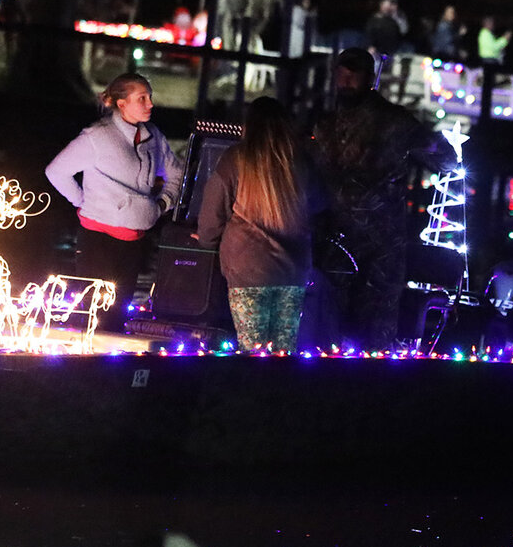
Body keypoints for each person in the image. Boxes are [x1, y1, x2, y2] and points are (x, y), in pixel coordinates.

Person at [310, 47, 453, 350]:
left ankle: (366, 384)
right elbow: (445, 158)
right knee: (337, 318)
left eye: (354, 75)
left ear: (369, 78)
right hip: (338, 239)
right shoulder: (324, 125)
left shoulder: (393, 122)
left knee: (371, 320)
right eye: (343, 74)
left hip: (378, 242)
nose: (347, 81)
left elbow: (444, 158)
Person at [45, 72, 185, 331]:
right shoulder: (97, 137)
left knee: (118, 316)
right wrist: (82, 201)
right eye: (142, 98)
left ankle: (112, 368)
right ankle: (85, 367)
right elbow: (56, 171)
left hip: (135, 241)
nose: (150, 104)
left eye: (149, 97)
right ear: (122, 104)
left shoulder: (153, 137)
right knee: (94, 317)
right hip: (99, 241)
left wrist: (164, 203)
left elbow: (177, 172)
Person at [196, 97, 321, 352]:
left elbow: (213, 211)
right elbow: (319, 208)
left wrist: (207, 240)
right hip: (293, 271)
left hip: (248, 268)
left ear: (249, 125)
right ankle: (281, 391)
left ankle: (251, 391)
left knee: (252, 350)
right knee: (284, 351)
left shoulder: (235, 159)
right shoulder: (301, 163)